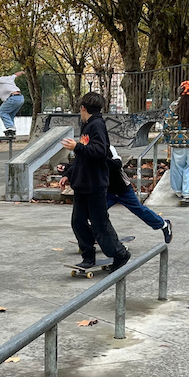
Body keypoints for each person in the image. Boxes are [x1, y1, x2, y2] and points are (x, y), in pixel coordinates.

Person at [60, 92, 130, 271]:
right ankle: (88, 256)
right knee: (78, 221)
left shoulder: (97, 125)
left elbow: (99, 151)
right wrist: (68, 173)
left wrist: (77, 146)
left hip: (95, 183)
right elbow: (82, 157)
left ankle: (120, 254)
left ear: (83, 108)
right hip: (83, 183)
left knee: (99, 223)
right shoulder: (88, 126)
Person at [58, 147, 172, 243]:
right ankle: (96, 234)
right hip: (106, 191)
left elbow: (116, 164)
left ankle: (164, 225)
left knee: (139, 210)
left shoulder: (108, 148)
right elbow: (78, 165)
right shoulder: (86, 149)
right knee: (91, 213)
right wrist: (66, 170)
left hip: (122, 189)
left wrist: (99, 158)